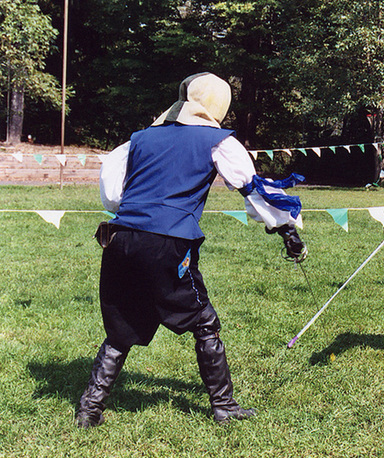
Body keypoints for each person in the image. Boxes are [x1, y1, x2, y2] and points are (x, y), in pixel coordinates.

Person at [76, 72, 307, 427]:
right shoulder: (217, 141)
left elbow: (112, 196)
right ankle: (225, 407)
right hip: (167, 243)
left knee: (123, 326)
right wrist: (287, 231)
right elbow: (252, 188)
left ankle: (89, 409)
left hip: (120, 239)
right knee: (204, 322)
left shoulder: (138, 139)